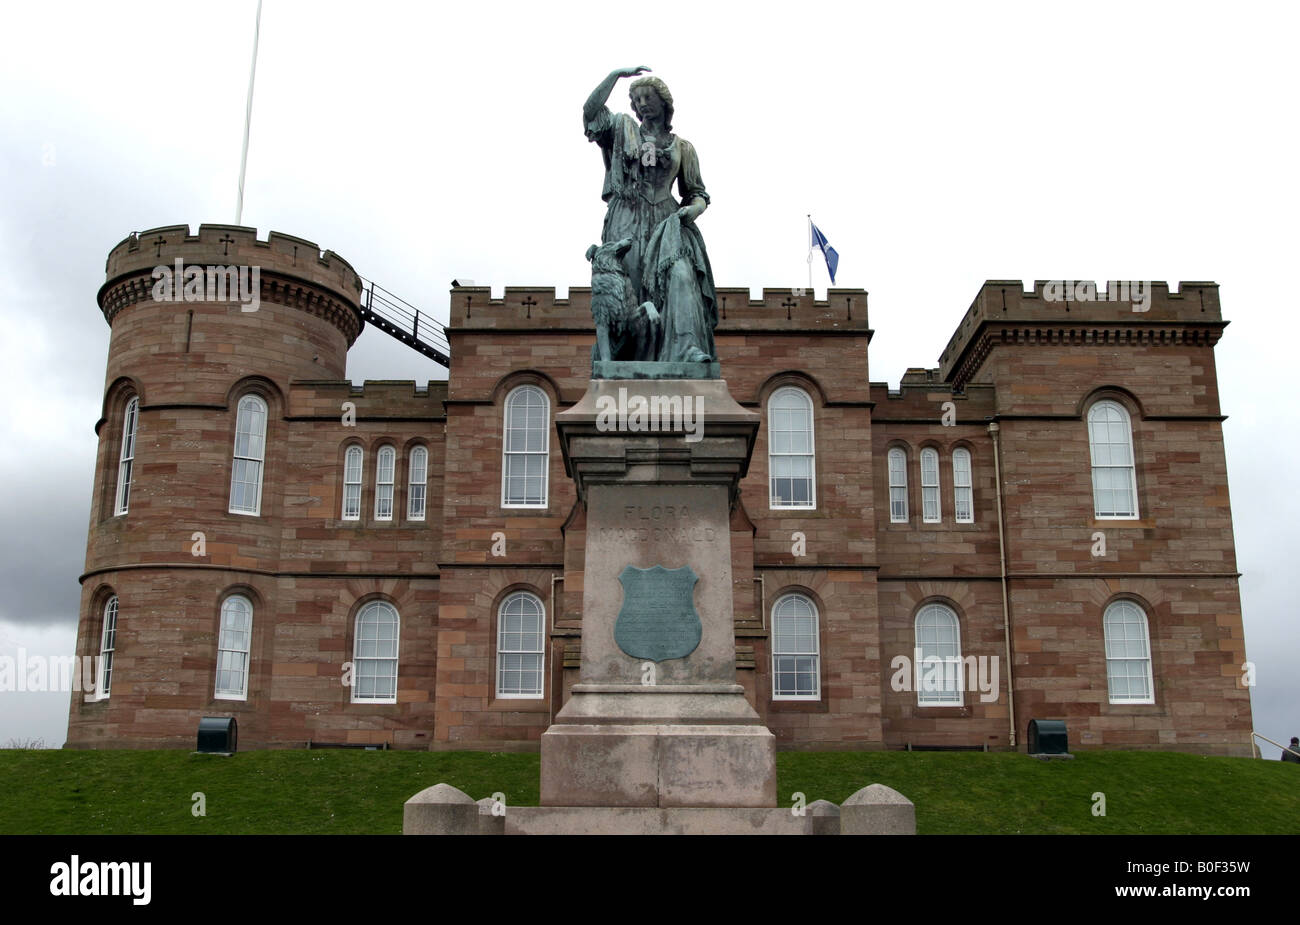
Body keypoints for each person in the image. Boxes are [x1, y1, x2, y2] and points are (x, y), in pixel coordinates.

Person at [583, 66, 718, 364]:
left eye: (648, 97)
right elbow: (591, 112)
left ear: (664, 102)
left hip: (669, 223)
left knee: (681, 276)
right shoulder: (620, 129)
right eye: (637, 99)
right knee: (627, 289)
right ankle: (622, 360)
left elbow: (697, 192)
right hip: (627, 221)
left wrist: (693, 210)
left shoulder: (683, 147)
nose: (642, 104)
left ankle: (685, 350)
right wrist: (616, 75)